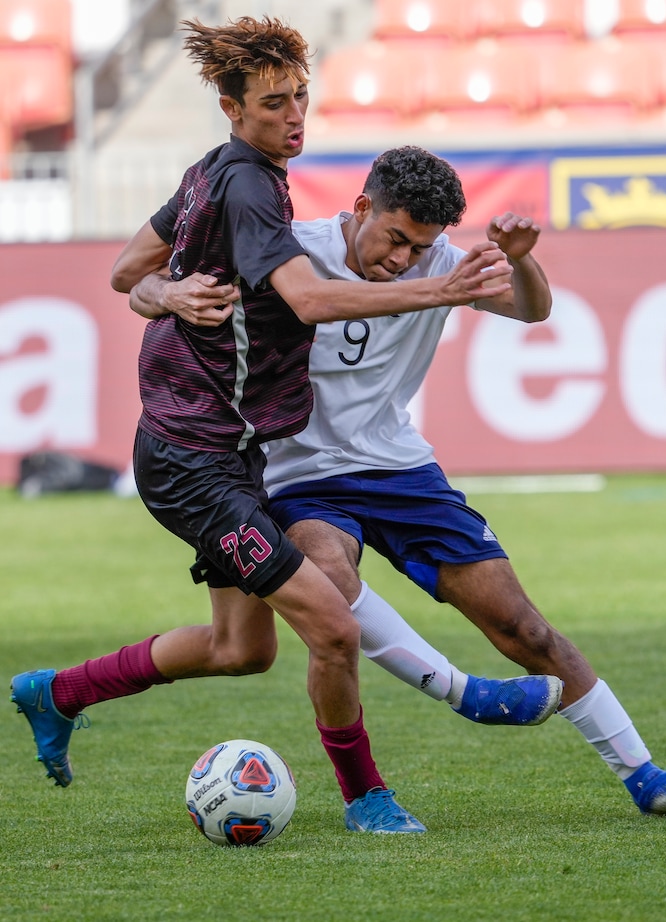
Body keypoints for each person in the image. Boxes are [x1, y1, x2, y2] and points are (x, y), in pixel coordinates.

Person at [9, 18, 558, 836]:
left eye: (301, 96)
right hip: (195, 463)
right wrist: (438, 292)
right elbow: (308, 300)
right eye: (274, 103)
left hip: (229, 453)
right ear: (233, 109)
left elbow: (129, 274)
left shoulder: (214, 174)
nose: (295, 115)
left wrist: (173, 294)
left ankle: (57, 691)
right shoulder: (249, 187)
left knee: (243, 649)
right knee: (332, 624)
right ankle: (375, 786)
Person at [130, 145, 666, 817]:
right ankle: (414, 742)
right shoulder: (291, 253)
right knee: (331, 588)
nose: (404, 259)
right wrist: (166, 291)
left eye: (420, 246)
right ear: (362, 206)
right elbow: (146, 283)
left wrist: (519, 257)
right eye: (396, 238)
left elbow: (532, 309)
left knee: (525, 630)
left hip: (399, 467)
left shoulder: (443, 264)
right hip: (297, 475)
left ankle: (645, 775)